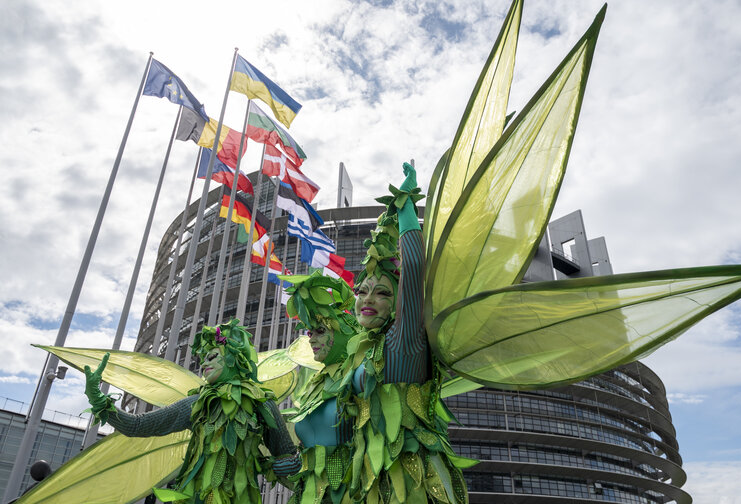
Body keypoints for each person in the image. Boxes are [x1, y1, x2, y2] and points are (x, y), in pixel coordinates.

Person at [344, 162, 473, 504]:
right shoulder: (366, 350)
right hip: (371, 482)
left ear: (399, 303)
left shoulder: (405, 341)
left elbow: (414, 267)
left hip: (416, 481)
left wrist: (405, 206)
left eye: (383, 293)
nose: (368, 299)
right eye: (363, 291)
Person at [83, 319, 301, 504]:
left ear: (234, 359)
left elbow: (287, 455)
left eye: (212, 356)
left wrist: (287, 464)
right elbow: (138, 425)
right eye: (203, 358)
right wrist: (99, 400)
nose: (204, 362)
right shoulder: (195, 404)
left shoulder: (262, 404)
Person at [280, 271, 358, 504]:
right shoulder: (313, 385)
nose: (311, 339)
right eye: (309, 332)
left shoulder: (361, 374)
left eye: (320, 331)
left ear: (344, 332)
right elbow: (308, 453)